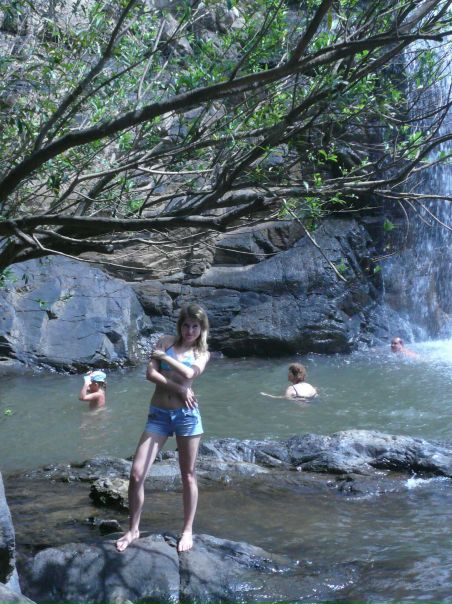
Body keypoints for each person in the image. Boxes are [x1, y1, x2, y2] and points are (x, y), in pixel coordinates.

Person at [115, 303, 210, 554]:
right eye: (186, 325)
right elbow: (150, 374)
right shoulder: (165, 341)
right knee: (136, 474)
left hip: (187, 417)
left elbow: (189, 373)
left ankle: (187, 530)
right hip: (158, 415)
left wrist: (166, 358)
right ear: (180, 325)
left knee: (188, 474)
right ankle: (133, 529)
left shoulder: (202, 353)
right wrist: (178, 388)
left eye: (195, 326)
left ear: (201, 329)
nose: (189, 331)